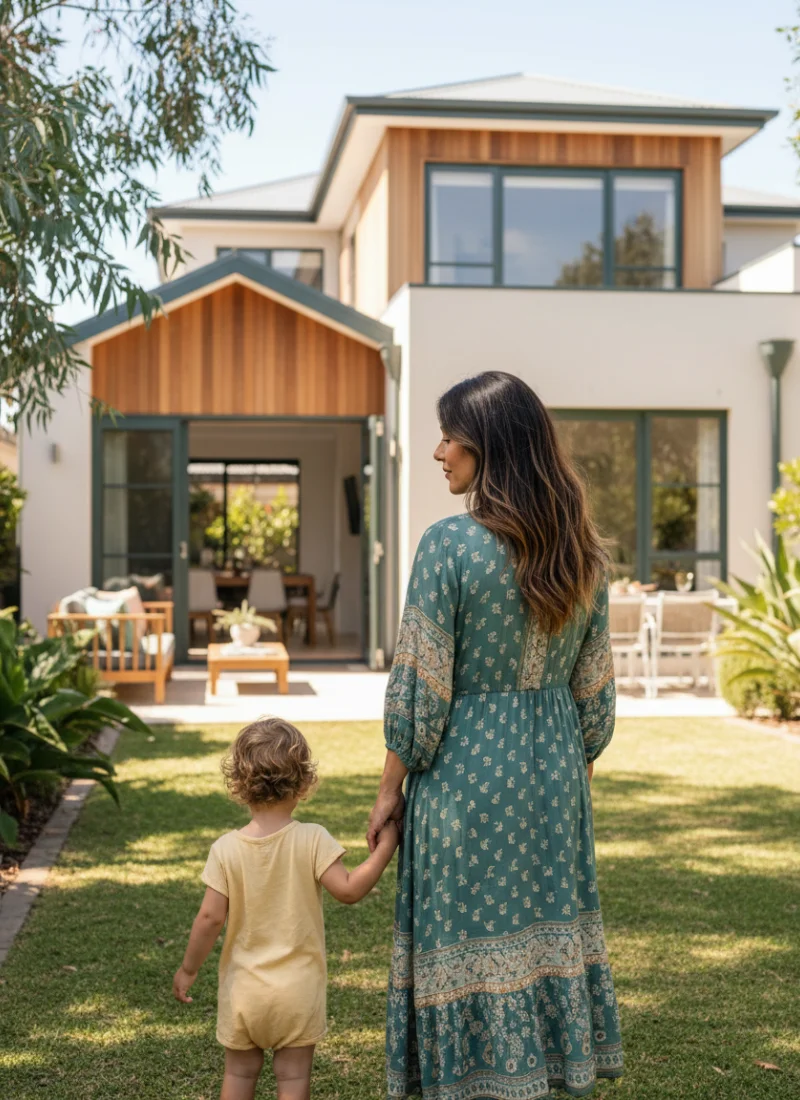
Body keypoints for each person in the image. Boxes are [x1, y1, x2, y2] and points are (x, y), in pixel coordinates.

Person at [367, 372, 624, 1099]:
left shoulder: (449, 546)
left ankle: (469, 1081)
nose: (439, 451)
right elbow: (594, 704)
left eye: (450, 436)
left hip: (464, 781)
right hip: (557, 783)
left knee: (465, 944)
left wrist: (389, 790)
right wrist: (570, 789)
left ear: (490, 446)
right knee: (545, 932)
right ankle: (541, 1073)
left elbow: (420, 691)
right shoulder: (585, 555)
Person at [173, 716, 399, 1100]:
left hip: (244, 992)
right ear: (304, 783)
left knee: (240, 1075)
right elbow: (348, 890)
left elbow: (210, 918)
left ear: (239, 787)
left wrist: (188, 969)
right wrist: (386, 847)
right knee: (293, 1080)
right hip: (298, 993)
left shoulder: (225, 849)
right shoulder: (312, 839)